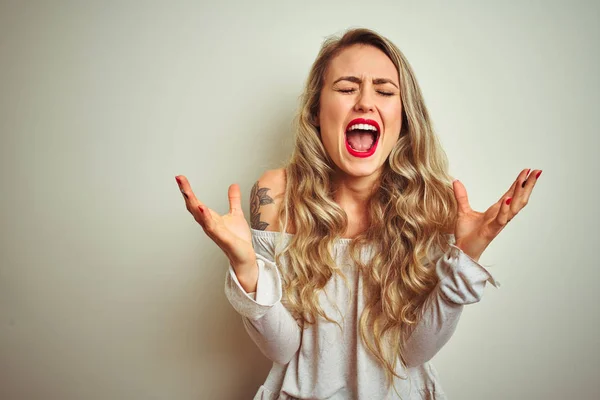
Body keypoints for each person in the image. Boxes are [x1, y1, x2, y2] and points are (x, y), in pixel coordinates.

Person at [175, 28, 541, 400]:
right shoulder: (276, 195)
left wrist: (468, 256)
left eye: (384, 91)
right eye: (347, 88)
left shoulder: (433, 203)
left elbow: (413, 353)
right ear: (317, 112)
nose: (366, 102)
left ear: (404, 118)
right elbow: (283, 351)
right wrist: (247, 269)